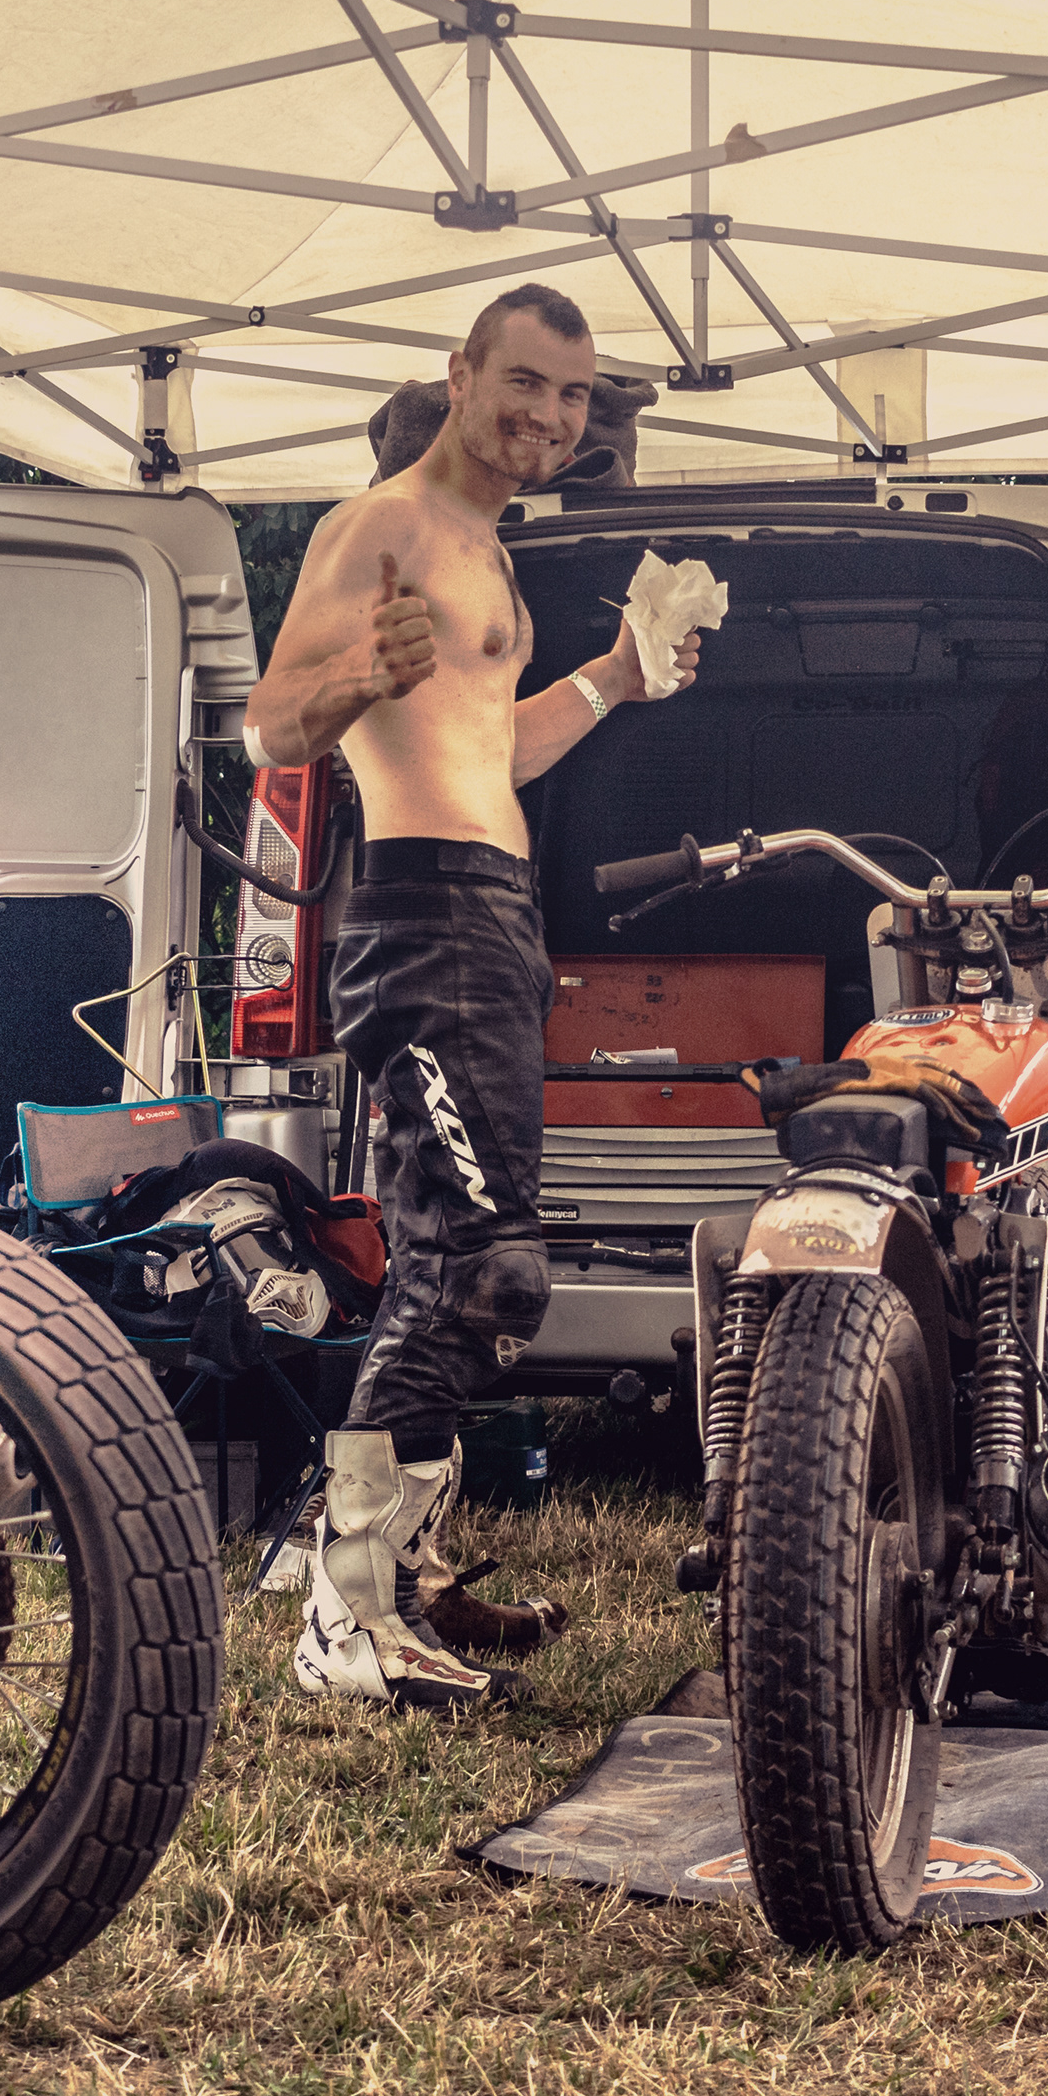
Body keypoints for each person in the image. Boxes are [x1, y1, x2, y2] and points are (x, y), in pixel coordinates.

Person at [239, 282, 706, 1710]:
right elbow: (269, 724)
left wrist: (615, 680)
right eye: (526, 383)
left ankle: (410, 1574)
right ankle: (344, 1615)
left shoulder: (489, 552)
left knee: (458, 1273)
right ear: (461, 374)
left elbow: (491, 749)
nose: (550, 417)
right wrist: (350, 676)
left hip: (491, 913)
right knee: (484, 1274)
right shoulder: (378, 524)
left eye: (571, 395)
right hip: (422, 915)